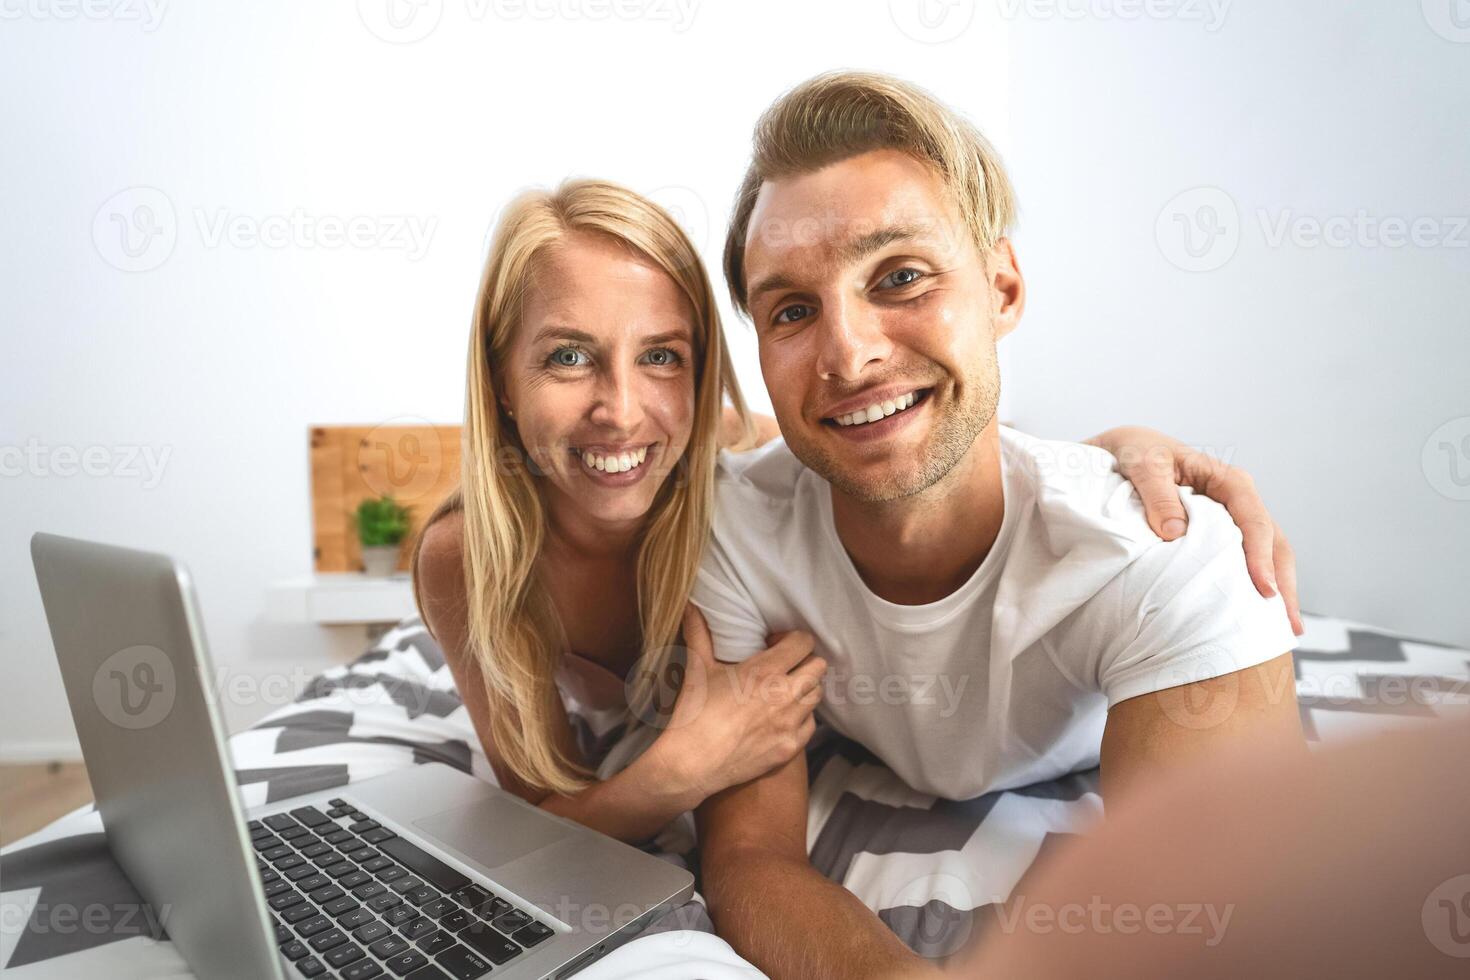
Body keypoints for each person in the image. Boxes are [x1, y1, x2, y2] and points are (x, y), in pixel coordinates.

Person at [412, 176, 1298, 856]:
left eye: (662, 357)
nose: (622, 411)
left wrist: (1120, 448)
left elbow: (934, 456)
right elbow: (539, 825)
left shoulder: (724, 463)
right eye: (568, 357)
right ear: (500, 377)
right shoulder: (468, 559)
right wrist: (685, 767)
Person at [691, 71, 1305, 979]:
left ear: (1003, 289)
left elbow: (1205, 914)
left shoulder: (1169, 556)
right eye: (791, 310)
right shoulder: (734, 535)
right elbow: (748, 860)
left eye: (900, 276)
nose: (850, 354)